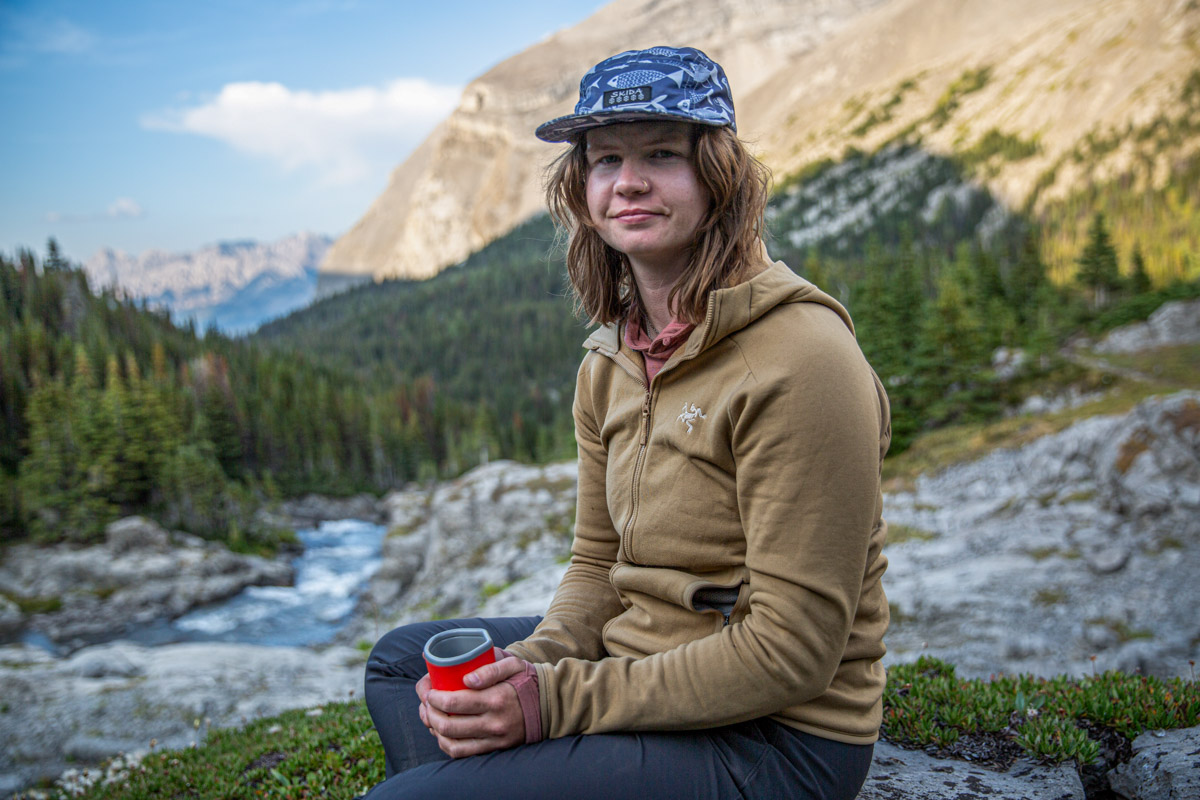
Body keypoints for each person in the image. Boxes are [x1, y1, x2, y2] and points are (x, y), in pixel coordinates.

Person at [361, 45, 891, 800]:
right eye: (606, 158)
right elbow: (595, 564)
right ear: (582, 188)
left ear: (719, 174)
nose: (629, 181)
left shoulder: (802, 357)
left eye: (662, 154)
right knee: (398, 662)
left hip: (777, 740)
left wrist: (554, 703)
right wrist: (535, 664)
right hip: (644, 666)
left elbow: (792, 651)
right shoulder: (610, 358)